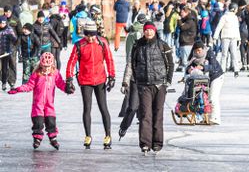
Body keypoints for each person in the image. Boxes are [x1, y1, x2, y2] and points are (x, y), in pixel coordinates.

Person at [123, 22, 174, 154]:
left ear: (154, 31)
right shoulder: (137, 45)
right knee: (145, 114)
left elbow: (170, 64)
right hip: (144, 85)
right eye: (146, 30)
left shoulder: (162, 45)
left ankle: (157, 143)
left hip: (159, 84)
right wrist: (138, 80)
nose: (149, 33)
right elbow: (133, 64)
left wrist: (167, 81)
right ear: (143, 31)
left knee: (158, 114)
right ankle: (145, 143)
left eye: (151, 30)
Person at [66, 19, 116, 149]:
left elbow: (109, 60)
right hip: (85, 80)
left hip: (100, 79)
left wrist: (112, 76)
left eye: (93, 35)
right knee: (87, 108)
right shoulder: (79, 45)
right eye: (88, 35)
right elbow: (71, 62)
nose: (91, 38)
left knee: (103, 107)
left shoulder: (102, 42)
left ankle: (108, 135)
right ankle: (88, 135)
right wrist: (69, 79)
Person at [7, 52, 67, 150]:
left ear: (52, 65)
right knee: (38, 123)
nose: (47, 69)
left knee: (51, 122)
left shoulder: (55, 73)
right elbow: (29, 85)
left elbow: (61, 84)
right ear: (41, 64)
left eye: (48, 66)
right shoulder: (36, 74)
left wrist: (68, 88)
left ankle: (53, 138)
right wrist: (18, 89)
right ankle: (37, 139)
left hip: (49, 105)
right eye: (44, 66)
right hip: (38, 105)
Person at [189, 43, 223, 125]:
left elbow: (213, 66)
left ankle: (215, 117)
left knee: (213, 97)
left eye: (199, 50)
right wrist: (189, 70)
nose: (198, 52)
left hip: (216, 77)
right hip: (205, 80)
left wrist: (203, 67)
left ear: (203, 49)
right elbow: (189, 65)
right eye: (196, 51)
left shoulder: (209, 53)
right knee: (204, 98)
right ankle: (206, 117)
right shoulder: (194, 57)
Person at [213, 3, 242, 77]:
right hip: (225, 37)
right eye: (236, 9)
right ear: (233, 9)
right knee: (224, 54)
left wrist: (239, 38)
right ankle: (222, 69)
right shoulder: (224, 17)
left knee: (234, 53)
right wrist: (215, 37)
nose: (237, 10)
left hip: (234, 37)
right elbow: (219, 27)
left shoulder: (235, 17)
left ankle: (236, 69)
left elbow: (236, 28)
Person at [0, 15, 18, 89]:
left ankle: (5, 83)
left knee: (5, 68)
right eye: (1, 23)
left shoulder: (9, 29)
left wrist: (14, 39)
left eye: (3, 23)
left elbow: (15, 40)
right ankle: (3, 81)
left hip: (6, 52)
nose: (2, 25)